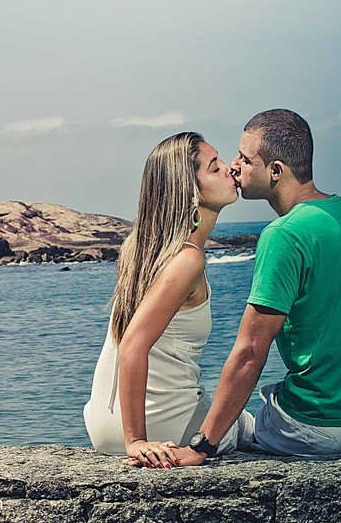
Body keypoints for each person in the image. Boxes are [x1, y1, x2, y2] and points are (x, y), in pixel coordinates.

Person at [154, 109, 341, 467]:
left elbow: (250, 353)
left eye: (245, 159)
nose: (234, 167)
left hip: (321, 428)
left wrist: (203, 446)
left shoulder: (283, 234)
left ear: (276, 171)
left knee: (240, 426)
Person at [83, 132, 254, 468]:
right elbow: (133, 343)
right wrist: (136, 441)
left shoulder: (142, 250)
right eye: (215, 167)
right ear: (191, 191)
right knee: (255, 424)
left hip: (103, 424)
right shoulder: (187, 260)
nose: (230, 170)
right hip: (163, 426)